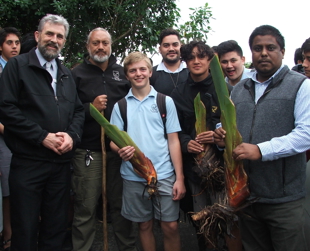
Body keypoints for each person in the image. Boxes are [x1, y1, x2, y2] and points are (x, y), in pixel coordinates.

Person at [215, 25, 310, 251]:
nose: (264, 53)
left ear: (283, 51)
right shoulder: (239, 90)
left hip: (284, 200)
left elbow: (305, 134)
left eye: (271, 47)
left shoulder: (300, 85)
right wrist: (221, 134)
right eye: (258, 48)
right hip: (248, 196)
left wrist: (261, 150)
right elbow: (231, 124)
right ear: (251, 53)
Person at [0, 14, 85, 251]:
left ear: (64, 42)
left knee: (56, 229)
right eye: (49, 34)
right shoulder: (17, 67)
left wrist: (72, 136)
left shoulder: (66, 74)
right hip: (28, 164)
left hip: (60, 165)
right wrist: (41, 137)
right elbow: (5, 108)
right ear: (38, 36)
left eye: (60, 36)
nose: (54, 40)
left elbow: (78, 111)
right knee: (25, 230)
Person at [110, 52, 186, 251]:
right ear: (126, 75)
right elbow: (113, 141)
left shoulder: (164, 102)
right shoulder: (121, 106)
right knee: (144, 225)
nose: (138, 73)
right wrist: (121, 150)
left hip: (164, 174)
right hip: (134, 176)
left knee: (170, 225)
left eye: (142, 69)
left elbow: (174, 141)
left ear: (150, 72)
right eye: (132, 70)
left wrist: (180, 178)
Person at [171, 41, 241, 251]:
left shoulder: (225, 90)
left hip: (223, 168)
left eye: (201, 56)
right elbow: (176, 131)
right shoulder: (179, 93)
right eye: (191, 58)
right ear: (184, 61)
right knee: (203, 222)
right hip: (195, 169)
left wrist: (220, 135)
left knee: (230, 220)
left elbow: (237, 127)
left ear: (210, 59)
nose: (196, 61)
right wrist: (186, 143)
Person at [71, 28, 136, 251]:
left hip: (119, 152)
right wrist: (91, 108)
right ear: (88, 46)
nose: (101, 47)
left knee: (120, 206)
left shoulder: (122, 72)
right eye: (96, 43)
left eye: (105, 43)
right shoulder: (76, 74)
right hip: (89, 151)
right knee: (86, 207)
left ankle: (126, 247)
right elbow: (68, 110)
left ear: (111, 46)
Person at [0, 27, 21, 251]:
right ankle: (8, 233)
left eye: (17, 42)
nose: (14, 46)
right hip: (5, 136)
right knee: (7, 188)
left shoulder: (20, 68)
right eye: (9, 43)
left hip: (22, 135)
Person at [150, 28, 188, 95]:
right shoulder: (151, 74)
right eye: (166, 45)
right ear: (160, 49)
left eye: (175, 45)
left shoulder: (191, 71)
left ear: (181, 47)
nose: (171, 49)